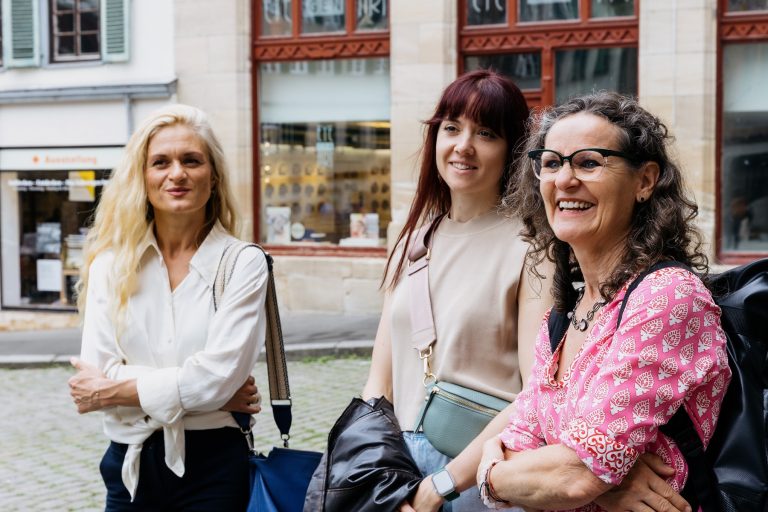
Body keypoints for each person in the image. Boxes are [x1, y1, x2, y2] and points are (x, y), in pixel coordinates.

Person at [477, 92, 732, 512]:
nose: (563, 180)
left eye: (589, 162)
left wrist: (492, 475)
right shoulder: (565, 316)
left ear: (645, 181)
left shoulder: (666, 297)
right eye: (552, 162)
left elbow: (575, 477)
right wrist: (585, 473)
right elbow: (517, 443)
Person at [361, 69, 552, 512]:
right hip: (398, 467)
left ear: (512, 151)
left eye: (485, 133)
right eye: (451, 128)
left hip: (479, 472)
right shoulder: (415, 241)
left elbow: (536, 394)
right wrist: (371, 465)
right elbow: (379, 381)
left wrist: (443, 484)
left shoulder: (532, 248)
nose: (463, 145)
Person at [67, 104, 266, 510]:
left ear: (213, 176)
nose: (177, 173)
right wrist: (202, 391)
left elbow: (218, 379)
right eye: (161, 162)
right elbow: (99, 365)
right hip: (130, 463)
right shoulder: (111, 264)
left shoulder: (243, 262)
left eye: (191, 160)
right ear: (142, 176)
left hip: (215, 465)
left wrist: (112, 390)